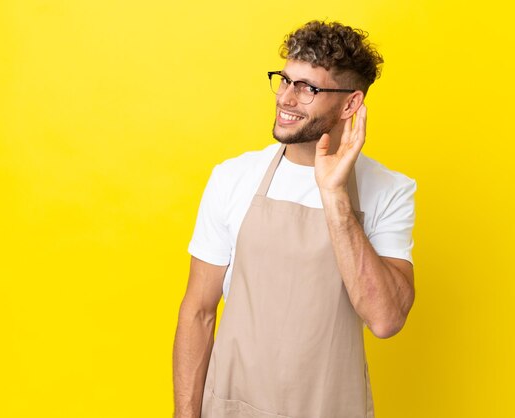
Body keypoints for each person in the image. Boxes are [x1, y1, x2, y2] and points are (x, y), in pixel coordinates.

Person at [173, 20, 417, 418]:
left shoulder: (389, 190)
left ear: (350, 105)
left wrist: (335, 195)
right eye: (284, 80)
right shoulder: (233, 178)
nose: (286, 98)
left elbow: (386, 319)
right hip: (235, 407)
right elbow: (198, 312)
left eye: (308, 88)